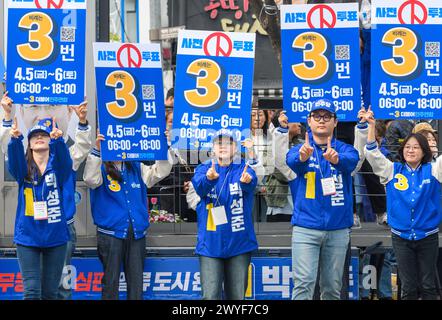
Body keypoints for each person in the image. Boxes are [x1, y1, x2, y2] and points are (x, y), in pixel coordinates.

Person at [1, 92, 92, 299]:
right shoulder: (23, 164)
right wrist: (7, 118)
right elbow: (9, 150)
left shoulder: (64, 159)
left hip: (61, 229)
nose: (43, 113)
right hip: (30, 232)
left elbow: (81, 147)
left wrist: (83, 122)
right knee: (32, 291)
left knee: (60, 291)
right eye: (35, 136)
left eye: (52, 105)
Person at [83, 132, 173, 300]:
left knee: (136, 284)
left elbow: (161, 171)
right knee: (110, 283)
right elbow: (89, 179)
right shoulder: (100, 167)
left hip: (137, 234)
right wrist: (97, 150)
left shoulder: (136, 166)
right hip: (111, 235)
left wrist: (164, 146)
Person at [286, 99, 359, 300]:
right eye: (317, 116)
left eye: (327, 117)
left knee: (332, 289)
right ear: (308, 121)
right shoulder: (300, 149)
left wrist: (337, 159)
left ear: (335, 122)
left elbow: (352, 161)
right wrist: (302, 157)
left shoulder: (345, 149)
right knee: (303, 285)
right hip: (305, 228)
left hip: (338, 229)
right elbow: (291, 161)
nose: (321, 120)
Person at [364, 113, 442, 300]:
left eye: (416, 147)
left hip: (428, 236)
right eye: (407, 147)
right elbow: (372, 154)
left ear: (424, 151)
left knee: (428, 285)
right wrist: (371, 126)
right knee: (407, 286)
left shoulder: (433, 170)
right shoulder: (392, 170)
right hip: (400, 237)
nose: (411, 150)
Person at [8, 117, 71, 300]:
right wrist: (14, 140)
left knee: (51, 293)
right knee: (32, 292)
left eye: (43, 134)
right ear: (29, 143)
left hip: (56, 237)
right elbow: (14, 162)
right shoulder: (24, 169)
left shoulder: (57, 168)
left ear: (50, 139)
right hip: (27, 237)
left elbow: (66, 164)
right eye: (34, 136)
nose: (39, 138)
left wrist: (59, 141)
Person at [190, 129, 258, 300]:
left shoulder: (244, 167)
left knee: (237, 298)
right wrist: (209, 178)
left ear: (235, 148)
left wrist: (248, 181)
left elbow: (252, 180)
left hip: (239, 243)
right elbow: (199, 186)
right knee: (210, 296)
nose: (223, 146)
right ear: (213, 148)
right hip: (210, 244)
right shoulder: (203, 168)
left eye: (228, 143)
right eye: (219, 143)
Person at [265, 111, 302, 222]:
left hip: (299, 203)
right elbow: (277, 171)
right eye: (296, 120)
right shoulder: (271, 145)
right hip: (279, 204)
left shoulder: (302, 144)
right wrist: (297, 173)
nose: (300, 124)